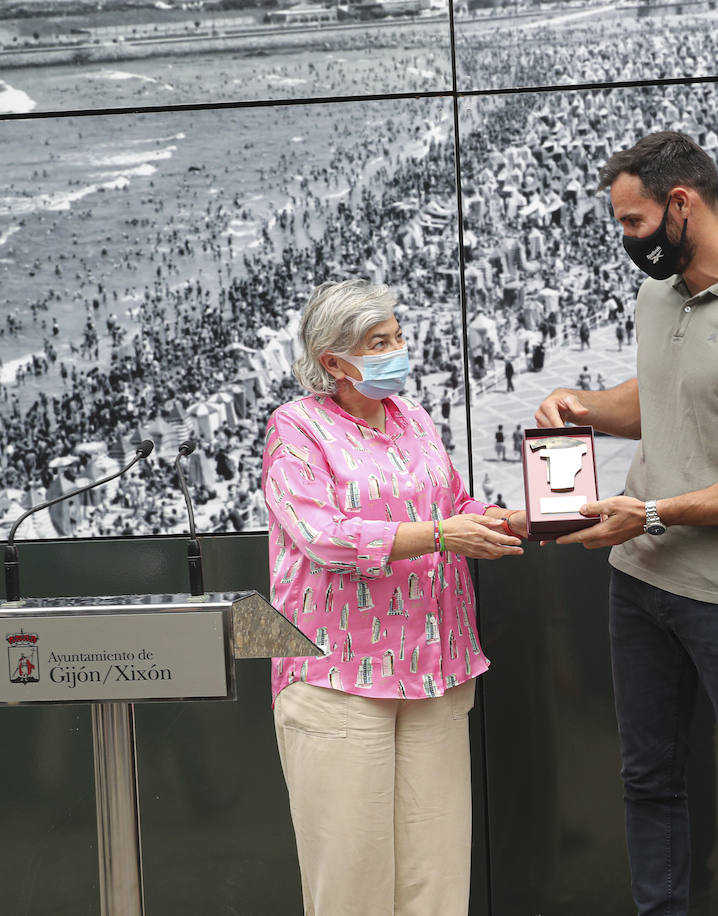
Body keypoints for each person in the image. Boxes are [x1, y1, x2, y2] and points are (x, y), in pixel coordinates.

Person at [536, 131, 718, 915]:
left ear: (680, 205)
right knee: (648, 781)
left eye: (632, 223)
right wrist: (583, 406)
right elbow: (664, 397)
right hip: (640, 585)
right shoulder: (657, 295)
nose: (626, 241)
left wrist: (654, 514)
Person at [264, 279, 526, 915]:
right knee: (351, 882)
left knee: (436, 881)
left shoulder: (414, 420)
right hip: (340, 679)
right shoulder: (296, 429)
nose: (398, 350)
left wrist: (504, 519)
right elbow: (323, 536)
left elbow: (453, 506)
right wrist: (441, 534)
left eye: (398, 336)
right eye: (380, 342)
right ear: (333, 361)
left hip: (436, 671)